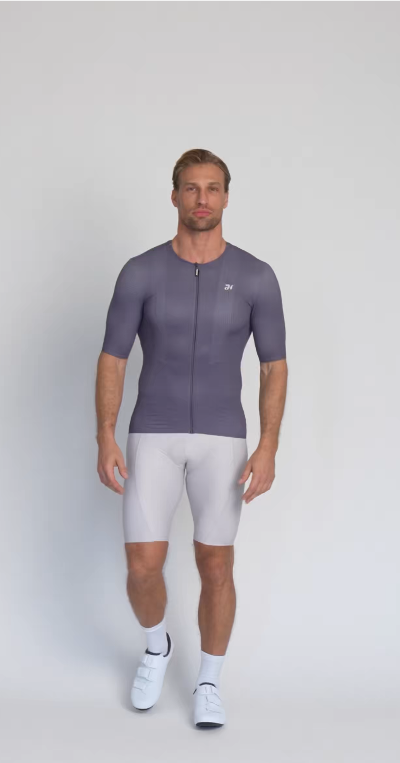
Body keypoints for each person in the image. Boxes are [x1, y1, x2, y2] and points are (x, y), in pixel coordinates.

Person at [95, 148, 288, 728]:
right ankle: (157, 647)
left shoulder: (256, 276)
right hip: (152, 433)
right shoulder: (141, 272)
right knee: (142, 566)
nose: (202, 199)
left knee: (216, 566)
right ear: (175, 195)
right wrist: (105, 434)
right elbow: (112, 358)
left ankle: (208, 681)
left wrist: (269, 444)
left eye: (212, 188)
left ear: (226, 197)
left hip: (223, 440)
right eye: (191, 188)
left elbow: (274, 365)